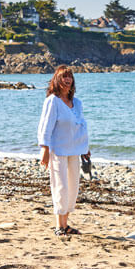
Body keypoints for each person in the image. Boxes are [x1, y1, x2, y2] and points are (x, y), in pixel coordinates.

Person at [37, 65, 90, 236]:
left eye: (69, 77)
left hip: (74, 150)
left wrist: (85, 148)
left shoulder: (77, 103)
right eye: (64, 76)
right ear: (57, 80)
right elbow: (45, 126)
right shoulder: (53, 101)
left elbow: (80, 127)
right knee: (60, 187)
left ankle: (66, 224)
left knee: (73, 188)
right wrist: (44, 149)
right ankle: (59, 226)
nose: (67, 79)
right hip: (58, 151)